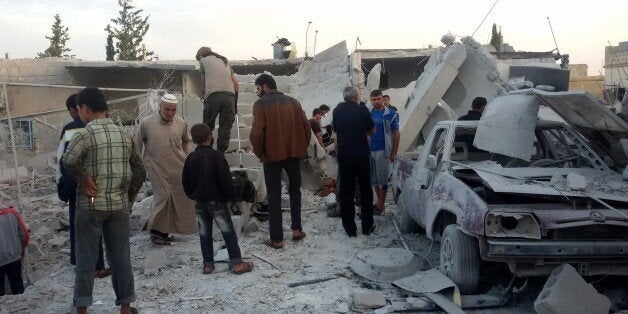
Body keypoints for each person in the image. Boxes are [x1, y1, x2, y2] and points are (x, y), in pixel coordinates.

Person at [63, 87, 145, 314]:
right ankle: (126, 307)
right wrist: (128, 198)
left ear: (85, 109)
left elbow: (69, 160)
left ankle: (81, 309)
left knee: (86, 259)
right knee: (120, 258)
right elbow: (139, 171)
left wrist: (84, 179)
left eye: (79, 109)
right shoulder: (123, 134)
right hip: (118, 206)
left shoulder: (83, 134)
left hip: (89, 206)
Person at [182, 123, 254, 275]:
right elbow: (225, 180)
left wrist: (192, 195)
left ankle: (208, 264)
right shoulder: (216, 156)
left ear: (194, 140)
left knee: (204, 232)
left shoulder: (191, 158)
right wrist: (231, 196)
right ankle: (237, 263)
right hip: (217, 202)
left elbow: (185, 181)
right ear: (210, 136)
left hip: (200, 202)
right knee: (227, 231)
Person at [250, 74, 310, 249]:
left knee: (274, 195)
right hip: (294, 154)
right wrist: (300, 146)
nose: (257, 92)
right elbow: (306, 128)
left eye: (258, 88)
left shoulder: (260, 105)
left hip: (272, 156)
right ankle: (297, 230)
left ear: (265, 86)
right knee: (295, 191)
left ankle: (277, 239)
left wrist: (261, 154)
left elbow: (256, 134)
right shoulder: (294, 102)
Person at [56, 93, 109, 278]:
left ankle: (84, 264)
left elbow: (62, 161)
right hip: (100, 186)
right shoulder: (105, 127)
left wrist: (63, 187)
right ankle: (98, 265)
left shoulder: (70, 129)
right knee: (98, 226)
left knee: (80, 227)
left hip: (77, 188)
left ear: (78, 109)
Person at [135, 93, 196, 245]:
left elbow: (187, 141)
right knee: (164, 197)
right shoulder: (147, 123)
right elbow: (137, 144)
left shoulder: (181, 123)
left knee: (179, 198)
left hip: (177, 166)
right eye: (167, 109)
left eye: (173, 110)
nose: (170, 113)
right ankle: (155, 231)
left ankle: (164, 232)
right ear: (160, 107)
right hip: (155, 166)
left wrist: (187, 156)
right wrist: (139, 164)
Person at [332, 86, 376, 237]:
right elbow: (372, 130)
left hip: (344, 156)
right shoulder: (362, 110)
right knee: (365, 190)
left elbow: (336, 132)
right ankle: (367, 226)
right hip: (361, 155)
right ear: (356, 96)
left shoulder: (337, 111)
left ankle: (350, 229)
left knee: (346, 192)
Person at [196, 46, 239, 153]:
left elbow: (202, 83)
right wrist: (235, 101)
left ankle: (207, 151)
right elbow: (236, 84)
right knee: (225, 128)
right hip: (229, 96)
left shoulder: (203, 61)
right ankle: (221, 153)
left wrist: (204, 96)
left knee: (207, 126)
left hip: (213, 95)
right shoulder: (225, 62)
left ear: (201, 56)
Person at [369, 90, 400, 214]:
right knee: (374, 180)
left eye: (378, 99)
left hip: (383, 150)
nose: (376, 102)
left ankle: (381, 204)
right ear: (371, 100)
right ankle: (380, 204)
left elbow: (396, 133)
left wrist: (394, 152)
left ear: (382, 98)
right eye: (373, 99)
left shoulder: (390, 113)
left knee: (382, 180)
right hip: (370, 150)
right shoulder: (368, 113)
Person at [0, 204, 29, 296]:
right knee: (17, 287)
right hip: (14, 256)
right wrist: (22, 248)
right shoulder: (12, 211)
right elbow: (24, 234)